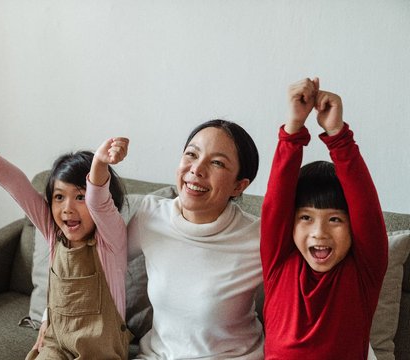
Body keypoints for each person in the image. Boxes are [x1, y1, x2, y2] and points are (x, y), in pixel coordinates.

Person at [0, 118, 132, 359]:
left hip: (101, 350)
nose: (67, 208)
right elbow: (16, 185)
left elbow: (99, 200)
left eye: (80, 197)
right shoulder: (54, 233)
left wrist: (100, 163)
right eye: (59, 197)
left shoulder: (110, 239)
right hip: (57, 343)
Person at [260, 78, 388, 359]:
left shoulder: (364, 272)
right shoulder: (279, 263)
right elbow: (276, 203)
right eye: (306, 217)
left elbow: (365, 207)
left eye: (335, 220)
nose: (319, 232)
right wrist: (292, 129)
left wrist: (338, 135)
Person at [128, 119, 264, 359]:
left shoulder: (258, 236)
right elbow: (98, 264)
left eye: (217, 163)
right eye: (191, 154)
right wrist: (53, 317)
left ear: (239, 186)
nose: (197, 169)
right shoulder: (150, 215)